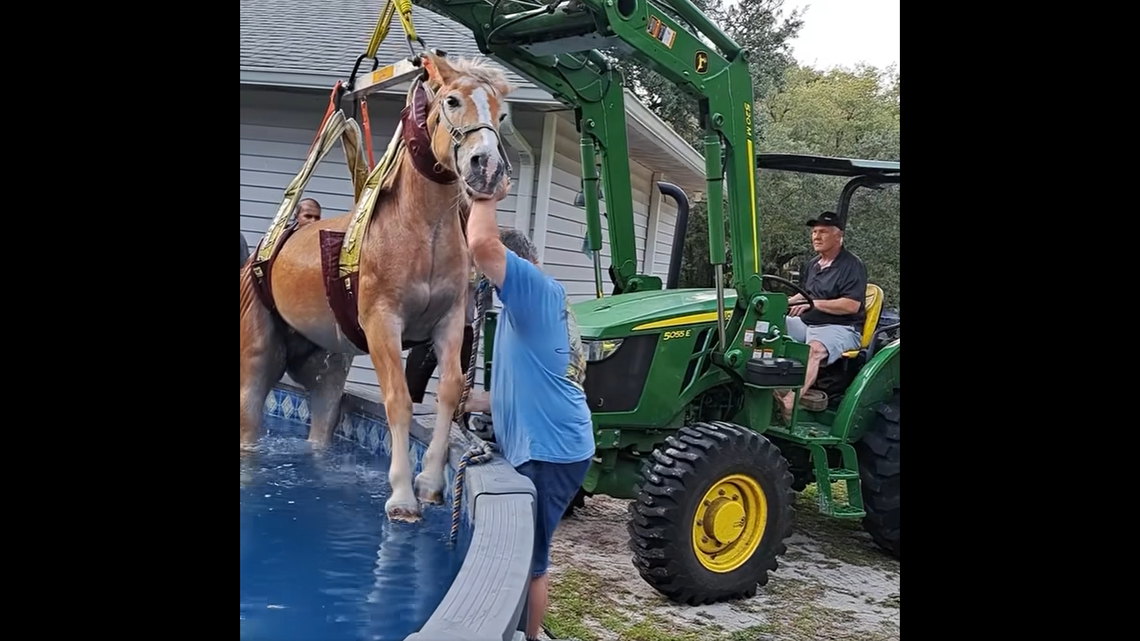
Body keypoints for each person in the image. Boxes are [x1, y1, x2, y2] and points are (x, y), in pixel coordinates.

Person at [466, 196, 595, 641]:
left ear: (516, 263)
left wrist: (482, 193)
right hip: (553, 442)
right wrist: (471, 401)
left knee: (530, 561)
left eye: (488, 276)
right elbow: (525, 387)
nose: (483, 282)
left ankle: (529, 637)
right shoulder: (526, 311)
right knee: (524, 554)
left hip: (549, 451)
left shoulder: (535, 290)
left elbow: (483, 242)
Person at [777, 210, 867, 418]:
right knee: (766, 326)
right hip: (808, 324)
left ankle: (789, 403)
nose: (816, 236)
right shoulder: (812, 265)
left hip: (840, 328)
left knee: (813, 350)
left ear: (838, 236)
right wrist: (781, 303)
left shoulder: (852, 265)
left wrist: (813, 304)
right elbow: (805, 296)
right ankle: (767, 384)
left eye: (823, 232)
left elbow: (851, 306)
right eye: (814, 232)